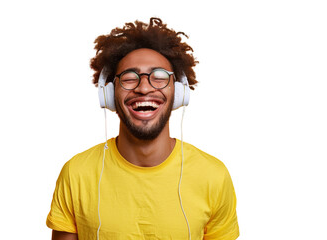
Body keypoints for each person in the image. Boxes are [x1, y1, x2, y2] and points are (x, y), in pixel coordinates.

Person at [46, 17, 239, 240]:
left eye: (159, 77)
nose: (144, 87)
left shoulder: (213, 176)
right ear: (109, 94)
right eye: (129, 78)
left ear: (179, 93)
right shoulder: (76, 174)